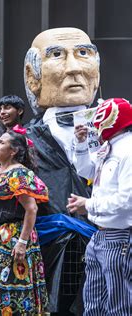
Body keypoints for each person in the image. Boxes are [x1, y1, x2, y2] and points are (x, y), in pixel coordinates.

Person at [24, 28, 100, 313]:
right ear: (32, 76)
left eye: (83, 53)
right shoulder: (23, 140)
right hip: (47, 251)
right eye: (57, 55)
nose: (74, 67)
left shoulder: (117, 135)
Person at [0, 130, 49, 315]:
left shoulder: (18, 173)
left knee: (9, 285)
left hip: (11, 237)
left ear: (13, 151)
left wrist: (22, 243)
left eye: (2, 143)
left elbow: (31, 209)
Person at [67, 98, 132, 316]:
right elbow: (87, 171)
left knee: (118, 304)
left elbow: (127, 200)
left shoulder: (128, 150)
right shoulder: (111, 146)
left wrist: (89, 204)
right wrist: (82, 143)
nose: (95, 125)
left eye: (98, 119)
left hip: (120, 236)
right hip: (101, 235)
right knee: (93, 303)